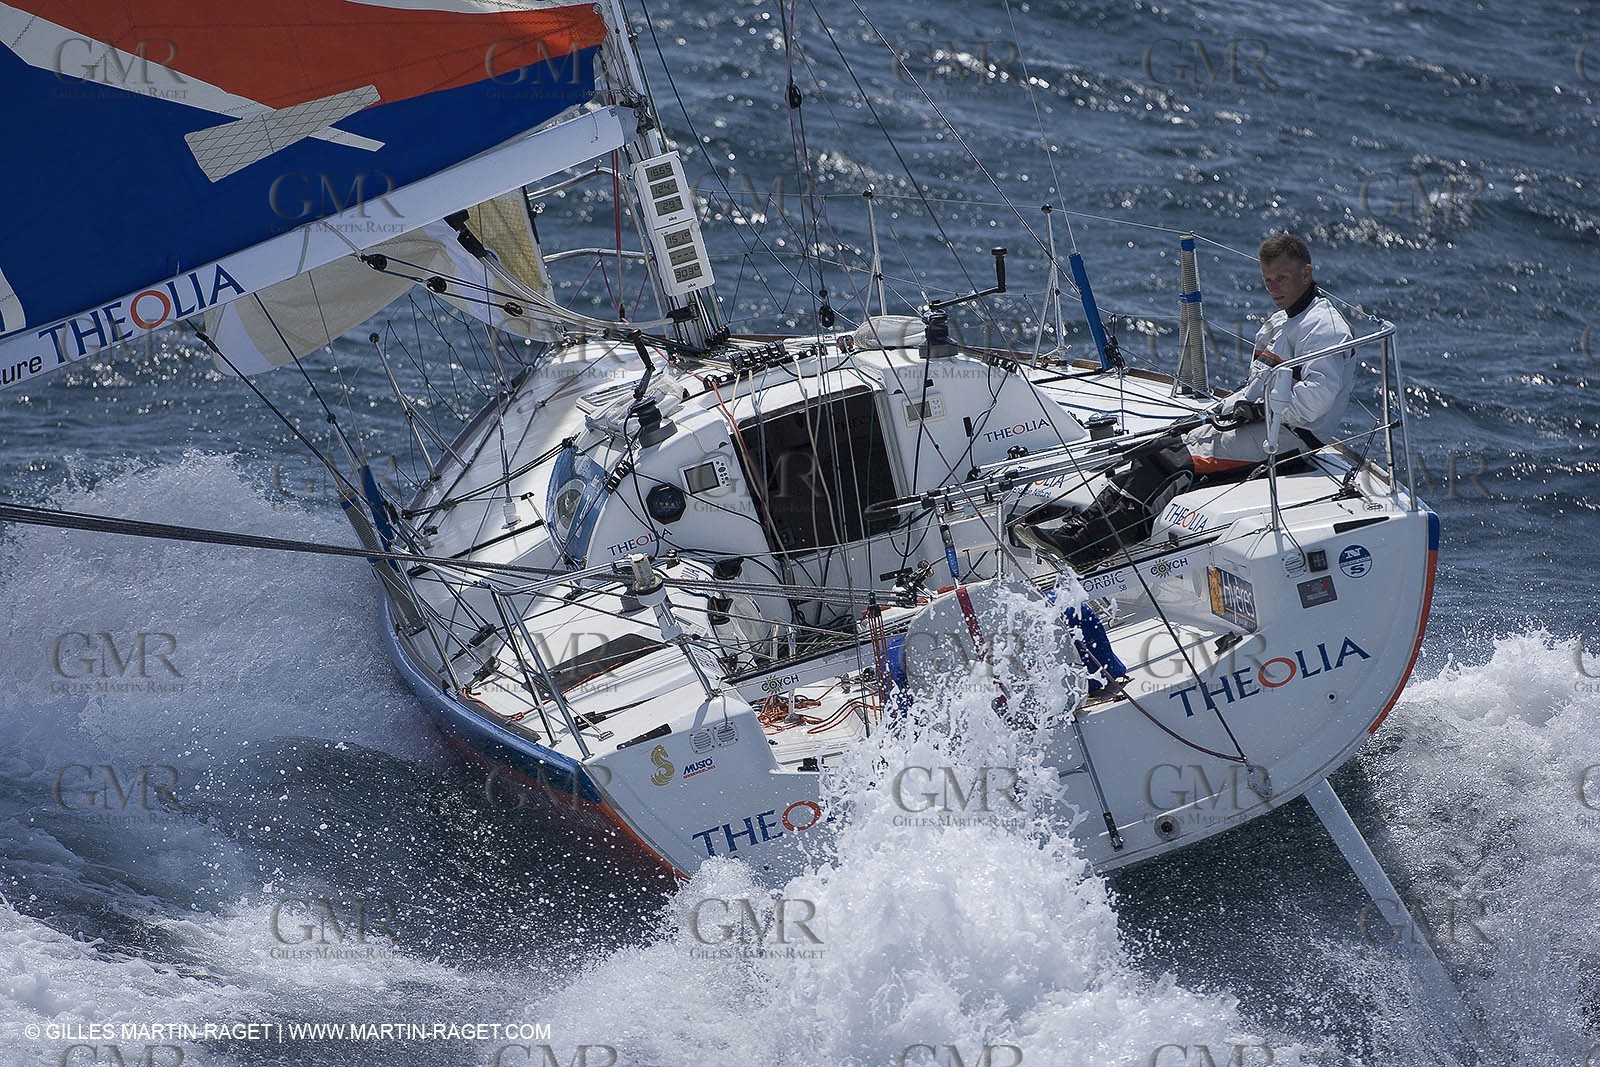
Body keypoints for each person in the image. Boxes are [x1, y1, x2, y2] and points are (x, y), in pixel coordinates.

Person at [1014, 232, 1355, 570]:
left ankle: (1088, 547)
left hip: (1292, 439)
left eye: (1282, 278)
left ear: (1306, 273)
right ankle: (1077, 529)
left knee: (1172, 460)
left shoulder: (1323, 328)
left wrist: (1257, 409)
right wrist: (1215, 412)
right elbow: (1254, 388)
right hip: (1263, 425)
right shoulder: (1281, 322)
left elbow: (1316, 400)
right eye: (1268, 281)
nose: (1274, 288)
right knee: (1155, 447)